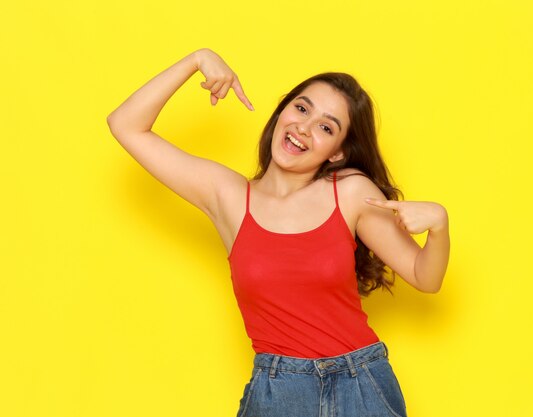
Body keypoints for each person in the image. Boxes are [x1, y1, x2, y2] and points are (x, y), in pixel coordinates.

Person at [107, 48, 450, 417]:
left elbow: (424, 277)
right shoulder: (230, 197)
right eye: (301, 109)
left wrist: (439, 226)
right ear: (282, 112)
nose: (304, 127)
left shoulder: (350, 192)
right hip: (279, 392)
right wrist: (196, 60)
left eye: (326, 127)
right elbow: (125, 124)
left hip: (361, 384)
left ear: (336, 152)